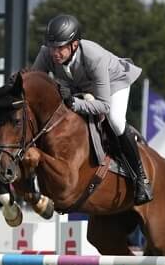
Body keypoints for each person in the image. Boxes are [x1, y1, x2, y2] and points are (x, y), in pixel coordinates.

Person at [30, 14, 151, 205]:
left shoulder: (94, 56)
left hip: (114, 82)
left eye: (60, 47)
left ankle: (140, 178)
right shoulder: (46, 53)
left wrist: (73, 103)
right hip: (82, 86)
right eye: (52, 47)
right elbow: (33, 82)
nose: (55, 53)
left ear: (75, 44)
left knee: (116, 121)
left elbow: (103, 104)